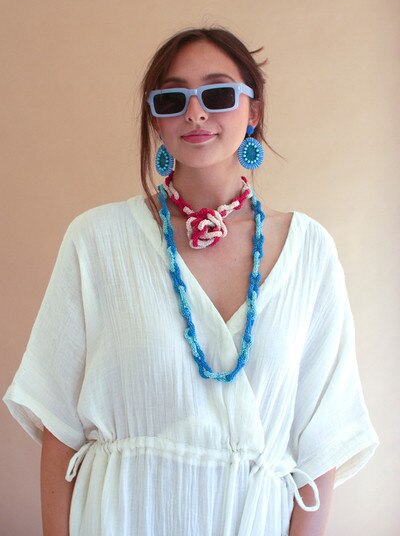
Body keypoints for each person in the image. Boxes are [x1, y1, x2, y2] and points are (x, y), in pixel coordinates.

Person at [3, 27, 379, 536]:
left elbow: (320, 446)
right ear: (155, 119)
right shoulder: (97, 241)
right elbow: (59, 430)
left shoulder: (309, 252)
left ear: (253, 110)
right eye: (173, 98)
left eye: (218, 94)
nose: (196, 112)